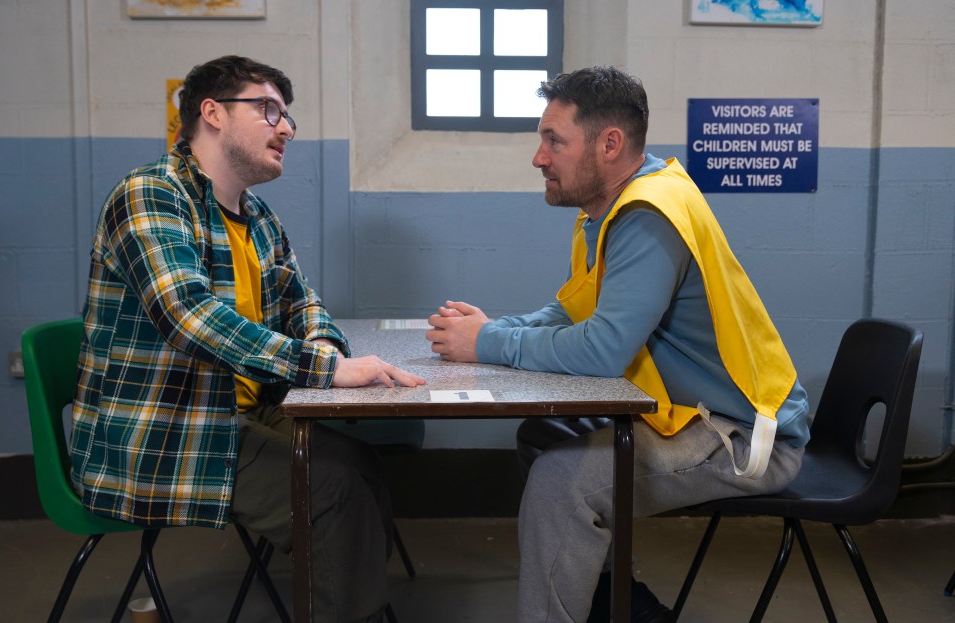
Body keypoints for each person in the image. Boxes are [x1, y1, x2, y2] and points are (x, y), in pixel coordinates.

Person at [426, 66, 810, 623]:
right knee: (544, 435)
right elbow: (570, 309)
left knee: (565, 483)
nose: (539, 157)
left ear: (610, 144)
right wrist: (495, 328)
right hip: (691, 416)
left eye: (553, 140)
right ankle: (613, 605)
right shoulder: (607, 211)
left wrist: (487, 342)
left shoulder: (648, 214)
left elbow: (603, 350)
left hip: (743, 436)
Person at [69, 55, 424, 623]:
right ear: (211, 113)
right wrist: (323, 370)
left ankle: (350, 600)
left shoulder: (256, 216)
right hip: (164, 433)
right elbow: (187, 315)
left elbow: (301, 302)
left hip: (237, 412)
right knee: (334, 492)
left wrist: (324, 346)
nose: (286, 128)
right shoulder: (151, 195)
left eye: (287, 117)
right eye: (268, 110)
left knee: (358, 463)